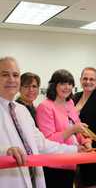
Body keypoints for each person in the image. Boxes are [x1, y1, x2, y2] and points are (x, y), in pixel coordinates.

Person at [0, 56, 86, 188]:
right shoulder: (44, 106)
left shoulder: (22, 111)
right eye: (5, 74)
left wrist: (76, 150)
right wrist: (5, 152)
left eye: (15, 75)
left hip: (34, 178)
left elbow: (41, 144)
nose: (11, 79)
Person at [36, 69, 92, 188]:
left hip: (71, 161)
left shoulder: (70, 102)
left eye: (70, 84)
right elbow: (48, 140)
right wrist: (72, 130)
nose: (67, 87)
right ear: (54, 85)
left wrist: (86, 141)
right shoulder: (45, 106)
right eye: (62, 83)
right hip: (54, 165)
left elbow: (78, 126)